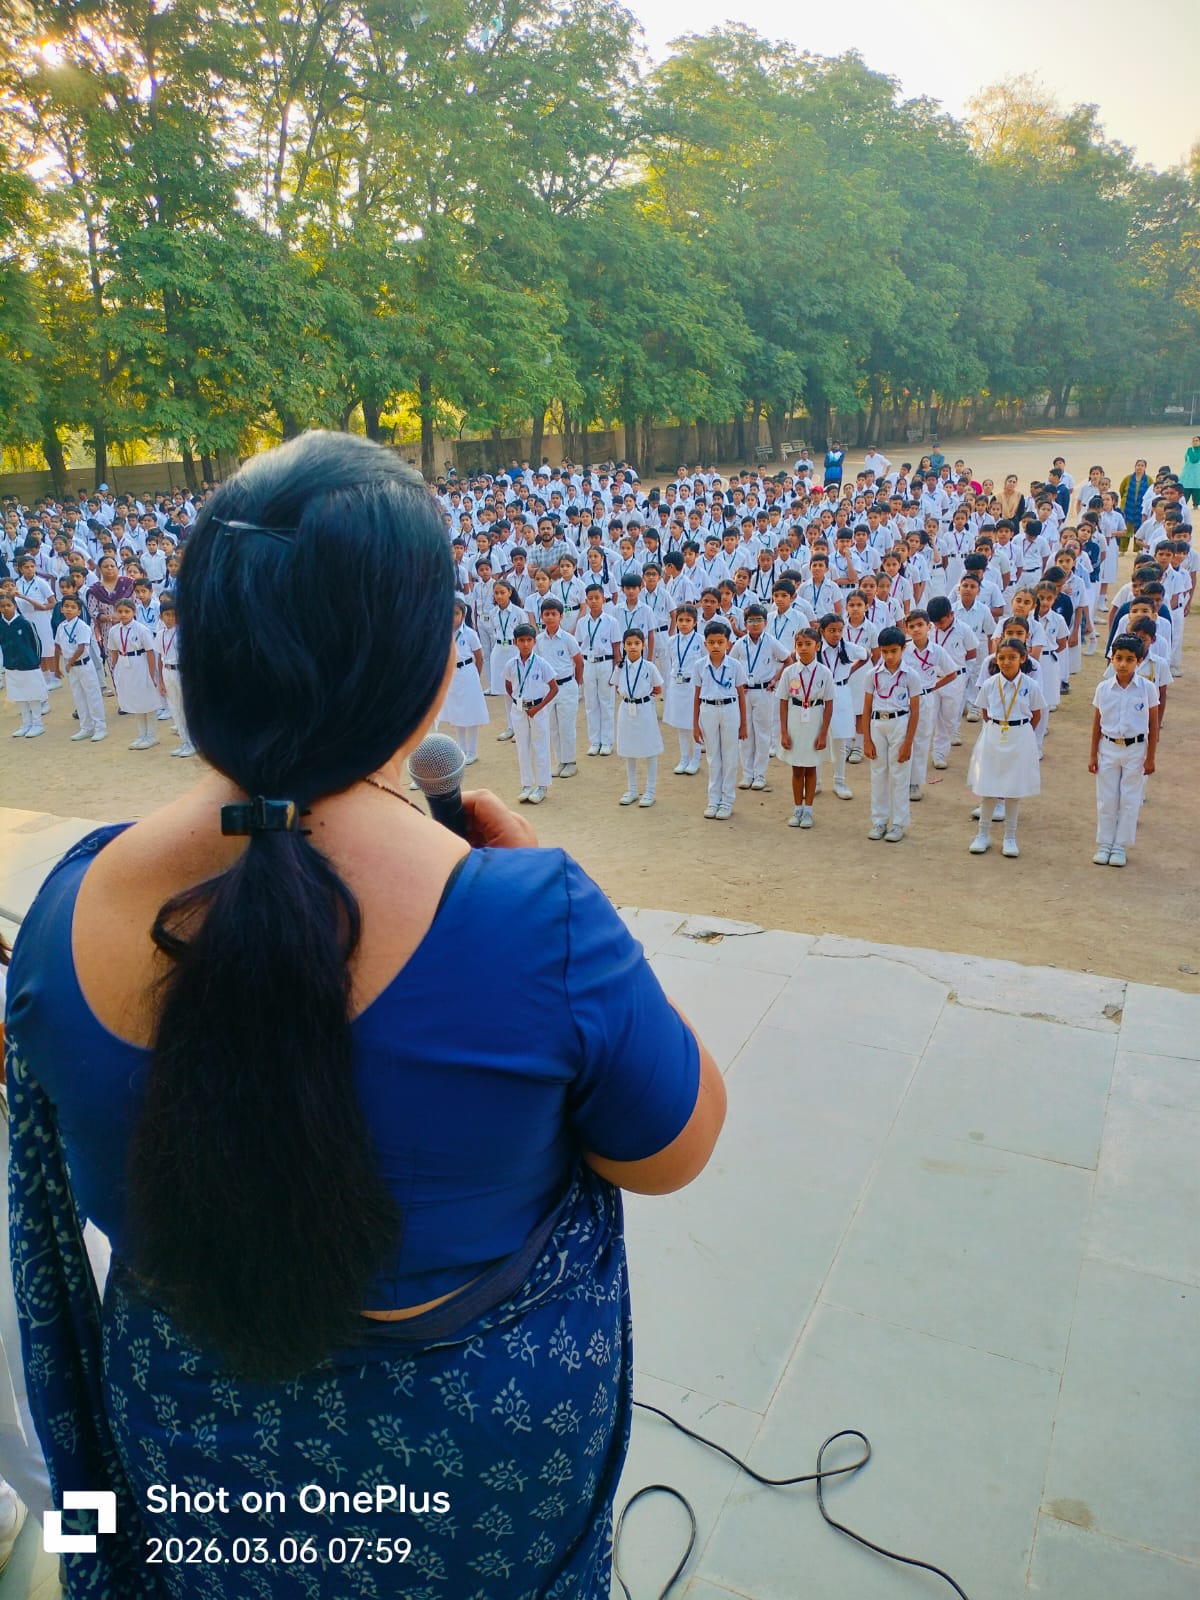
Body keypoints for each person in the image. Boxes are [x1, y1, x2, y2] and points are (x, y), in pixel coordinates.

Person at [3, 432, 726, 1598]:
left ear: (200, 655)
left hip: (197, 1475)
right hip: (480, 1487)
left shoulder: (65, 910)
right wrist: (569, 937)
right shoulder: (534, 920)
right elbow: (674, 1149)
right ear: (432, 674)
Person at [966, 639, 1045, 858]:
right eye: (1001, 658)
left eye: (1012, 657)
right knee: (989, 787)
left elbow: (1036, 714)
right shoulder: (990, 684)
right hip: (993, 735)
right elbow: (984, 711)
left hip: (1020, 737)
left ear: (1023, 658)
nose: (1006, 662)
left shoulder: (1031, 685)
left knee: (1013, 789)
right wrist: (998, 728)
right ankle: (982, 834)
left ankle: (1010, 837)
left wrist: (1020, 732)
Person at [1090, 632, 1159, 867]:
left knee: (1129, 799)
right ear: (1112, 658)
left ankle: (1120, 845)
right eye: (1118, 658)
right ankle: (1105, 843)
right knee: (1107, 798)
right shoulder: (1103, 688)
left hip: (1135, 749)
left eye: (1129, 659)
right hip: (1109, 748)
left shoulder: (1147, 689)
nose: (1122, 664)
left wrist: (1150, 757)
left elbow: (1153, 724)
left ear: (1139, 661)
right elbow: (1097, 722)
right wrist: (1092, 755)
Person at [861, 627, 922, 843]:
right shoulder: (872, 675)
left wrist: (908, 743)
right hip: (878, 723)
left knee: (900, 774)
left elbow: (915, 710)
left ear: (903, 649)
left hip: (900, 723)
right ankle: (879, 821)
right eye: (885, 651)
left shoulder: (911, 676)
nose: (889, 656)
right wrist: (866, 739)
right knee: (878, 773)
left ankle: (898, 823)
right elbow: (866, 707)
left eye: (894, 651)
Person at [777, 628, 834, 828]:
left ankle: (808, 810)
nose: (803, 648)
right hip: (795, 718)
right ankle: (797, 808)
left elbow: (829, 704)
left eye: (808, 644)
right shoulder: (789, 672)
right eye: (799, 644)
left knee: (810, 767)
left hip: (815, 719)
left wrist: (823, 734)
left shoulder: (824, 673)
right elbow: (783, 702)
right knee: (796, 769)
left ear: (817, 646)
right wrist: (784, 732)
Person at [693, 621, 748, 821]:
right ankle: (713, 799)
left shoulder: (735, 665)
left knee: (730, 756)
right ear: (705, 644)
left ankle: (727, 800)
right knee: (713, 757)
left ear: (728, 643)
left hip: (729, 709)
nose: (716, 646)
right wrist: (695, 725)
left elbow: (741, 695)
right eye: (711, 642)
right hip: (708, 709)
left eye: (720, 642)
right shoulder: (699, 666)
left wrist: (743, 724)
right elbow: (696, 696)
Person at [733, 604, 789, 790]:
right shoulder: (740, 644)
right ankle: (747, 774)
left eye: (759, 620)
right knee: (745, 733)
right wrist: (737, 684)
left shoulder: (771, 642)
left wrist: (775, 679)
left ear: (765, 622)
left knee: (763, 734)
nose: (755, 624)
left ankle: (760, 775)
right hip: (744, 693)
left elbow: (788, 660)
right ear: (745, 623)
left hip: (764, 691)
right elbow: (731, 664)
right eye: (751, 620)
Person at [503, 620, 557, 804]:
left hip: (537, 709)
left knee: (540, 745)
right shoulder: (511, 664)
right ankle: (526, 784)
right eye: (521, 640)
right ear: (515, 642)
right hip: (519, 709)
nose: (525, 644)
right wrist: (518, 702)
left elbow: (554, 688)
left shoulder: (541, 663)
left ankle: (542, 785)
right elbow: (508, 685)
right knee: (522, 746)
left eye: (528, 640)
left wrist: (537, 708)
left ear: (534, 641)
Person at [611, 629, 664, 807]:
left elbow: (658, 689)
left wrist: (642, 698)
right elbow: (617, 686)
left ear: (643, 645)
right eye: (629, 644)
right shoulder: (620, 667)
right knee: (628, 749)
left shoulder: (649, 667)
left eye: (637, 643)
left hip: (645, 709)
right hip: (626, 709)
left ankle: (650, 791)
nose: (633, 647)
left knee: (650, 748)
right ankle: (632, 789)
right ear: (623, 646)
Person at [437, 596, 489, 763]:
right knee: (456, 713)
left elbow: (479, 657)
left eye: (456, 613)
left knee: (471, 712)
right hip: (452, 674)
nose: (453, 617)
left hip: (467, 671)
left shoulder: (470, 634)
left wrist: (475, 675)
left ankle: (472, 751)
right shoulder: (444, 633)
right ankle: (461, 749)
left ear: (463, 614)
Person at [575, 581, 622, 755]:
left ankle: (607, 741)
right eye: (590, 598)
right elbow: (579, 646)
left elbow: (616, 648)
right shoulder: (582, 623)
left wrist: (616, 672)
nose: (593, 601)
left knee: (606, 703)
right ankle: (595, 741)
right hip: (588, 663)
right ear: (586, 601)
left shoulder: (612, 622)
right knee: (591, 704)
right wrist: (579, 672)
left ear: (603, 599)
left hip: (605, 664)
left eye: (597, 598)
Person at [108, 595, 160, 750]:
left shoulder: (141, 629)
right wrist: (116, 669)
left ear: (134, 612)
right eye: (120, 611)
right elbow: (114, 651)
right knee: (135, 700)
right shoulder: (114, 630)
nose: (123, 614)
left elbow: (150, 651)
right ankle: (142, 734)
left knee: (147, 699)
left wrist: (152, 673)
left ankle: (151, 735)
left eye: (127, 611)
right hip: (125, 666)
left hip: (141, 663)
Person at [54, 591, 107, 743]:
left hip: (83, 665)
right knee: (79, 696)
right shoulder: (61, 626)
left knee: (92, 696)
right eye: (66, 606)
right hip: (71, 667)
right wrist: (57, 667)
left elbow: (82, 648)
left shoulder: (82, 626)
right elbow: (57, 646)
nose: (69, 609)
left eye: (73, 607)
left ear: (78, 611)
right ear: (61, 609)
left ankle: (100, 728)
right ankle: (86, 727)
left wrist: (69, 662)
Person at [663, 604, 703, 774]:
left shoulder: (700, 641)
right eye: (680, 620)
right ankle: (684, 757)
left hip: (693, 686)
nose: (684, 623)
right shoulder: (671, 641)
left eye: (688, 620)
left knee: (695, 723)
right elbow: (670, 661)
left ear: (695, 622)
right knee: (680, 723)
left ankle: (696, 759)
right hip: (677, 685)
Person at [0, 593, 45, 738]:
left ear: (15, 606)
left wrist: (35, 661)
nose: (6, 608)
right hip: (11, 666)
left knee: (33, 695)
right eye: (2, 606)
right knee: (19, 695)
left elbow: (36, 643)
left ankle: (37, 724)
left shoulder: (25, 623)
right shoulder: (1, 625)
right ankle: (26, 723)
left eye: (9, 605)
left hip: (29, 665)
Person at [155, 592, 193, 757]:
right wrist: (161, 680)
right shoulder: (160, 634)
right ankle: (184, 742)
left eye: (174, 615)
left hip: (181, 671)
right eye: (167, 615)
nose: (170, 618)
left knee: (185, 707)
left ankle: (192, 742)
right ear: (161, 617)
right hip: (167, 670)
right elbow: (160, 656)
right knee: (174, 708)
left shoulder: (183, 633)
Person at [1181, 436, 1200, 509]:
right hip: (1188, 474)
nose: (1195, 442)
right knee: (1186, 489)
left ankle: (1196, 505)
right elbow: (1186, 461)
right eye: (1193, 441)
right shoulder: (1189, 450)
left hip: (1198, 474)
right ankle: (1183, 505)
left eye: (1197, 440)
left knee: (1197, 490)